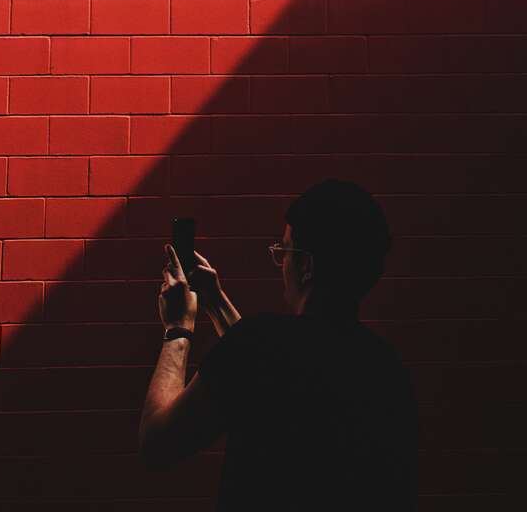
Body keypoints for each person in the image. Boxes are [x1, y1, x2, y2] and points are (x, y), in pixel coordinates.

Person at [139, 179, 418, 511]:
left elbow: (157, 444)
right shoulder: (386, 368)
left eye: (284, 251)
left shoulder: (260, 346)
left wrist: (178, 330)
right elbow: (273, 363)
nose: (281, 262)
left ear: (306, 266)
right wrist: (215, 302)